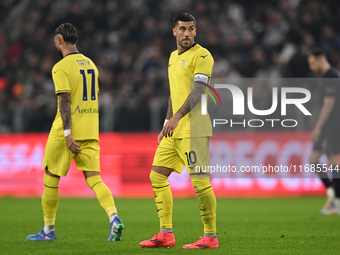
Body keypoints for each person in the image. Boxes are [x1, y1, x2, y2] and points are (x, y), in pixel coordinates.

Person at [26, 23, 124, 241]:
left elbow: (65, 99)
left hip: (66, 131)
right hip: (90, 130)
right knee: (94, 178)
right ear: (76, 41)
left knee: (51, 176)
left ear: (59, 40)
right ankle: (114, 218)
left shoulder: (60, 67)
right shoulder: (91, 65)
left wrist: (67, 132)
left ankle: (48, 231)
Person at [139, 13, 218, 249]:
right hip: (174, 130)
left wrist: (176, 118)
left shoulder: (202, 56)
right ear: (174, 31)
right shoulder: (173, 57)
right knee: (157, 176)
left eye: (191, 29)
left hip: (195, 129)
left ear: (196, 31)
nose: (187, 33)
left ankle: (210, 237)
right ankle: (165, 234)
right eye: (182, 29)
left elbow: (198, 91)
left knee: (201, 183)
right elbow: (175, 92)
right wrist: (166, 122)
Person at [308, 48, 340, 215]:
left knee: (333, 162)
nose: (311, 67)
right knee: (314, 159)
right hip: (329, 126)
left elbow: (329, 104)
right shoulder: (328, 77)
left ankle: (337, 202)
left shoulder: (331, 77)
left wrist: (318, 127)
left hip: (332, 126)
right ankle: (332, 196)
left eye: (313, 63)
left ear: (321, 59)